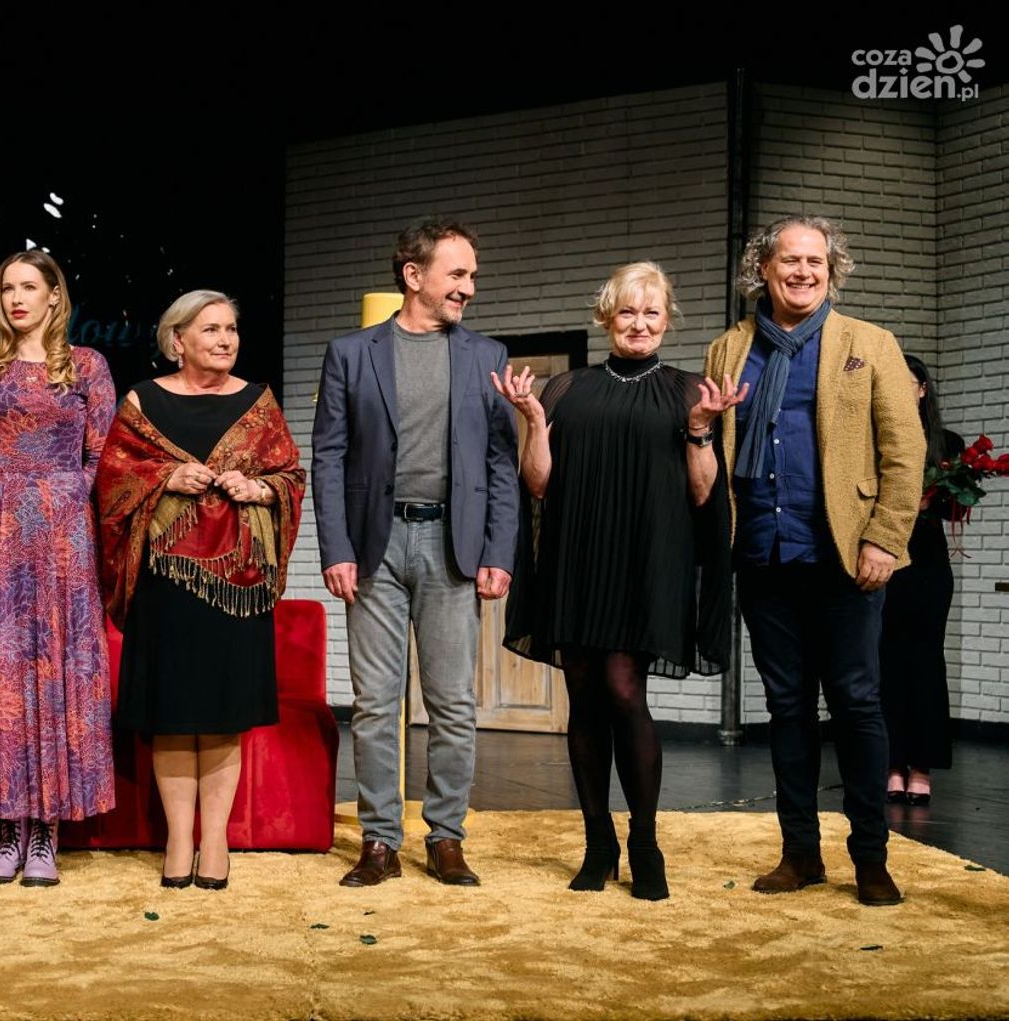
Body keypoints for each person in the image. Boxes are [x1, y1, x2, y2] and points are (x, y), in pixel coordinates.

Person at [495, 262, 741, 900]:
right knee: (584, 697)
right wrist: (534, 422)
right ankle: (597, 841)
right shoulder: (565, 389)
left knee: (627, 691)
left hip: (647, 561)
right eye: (627, 311)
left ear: (666, 321)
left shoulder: (689, 392)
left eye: (651, 312)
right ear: (607, 317)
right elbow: (538, 483)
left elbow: (703, 493)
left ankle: (645, 841)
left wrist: (700, 431)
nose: (639, 324)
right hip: (578, 558)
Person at [704, 215, 924, 906]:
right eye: (789, 260)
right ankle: (799, 853)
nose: (803, 271)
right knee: (786, 706)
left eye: (815, 261)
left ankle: (871, 858)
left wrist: (886, 536)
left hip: (846, 556)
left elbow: (905, 451)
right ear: (762, 269)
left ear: (832, 271)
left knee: (857, 702)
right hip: (762, 555)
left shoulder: (870, 343)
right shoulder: (729, 348)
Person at [311, 219, 521, 887]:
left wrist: (499, 549)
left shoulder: (487, 355)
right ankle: (380, 840)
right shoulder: (351, 353)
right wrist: (335, 547)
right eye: (457, 274)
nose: (469, 287)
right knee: (375, 703)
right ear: (413, 275)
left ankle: (446, 836)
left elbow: (501, 463)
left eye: (472, 275)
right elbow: (329, 457)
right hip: (374, 545)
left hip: (451, 545)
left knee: (453, 702)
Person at [97, 290, 304, 890]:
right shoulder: (142, 402)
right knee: (171, 716)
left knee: (220, 714)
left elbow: (290, 475)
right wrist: (166, 477)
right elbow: (111, 479)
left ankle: (214, 841)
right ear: (177, 340)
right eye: (210, 329)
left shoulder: (257, 403)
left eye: (231, 329)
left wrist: (259, 489)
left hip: (236, 584)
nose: (225, 339)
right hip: (165, 583)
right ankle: (177, 839)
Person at [0, 251, 117, 887]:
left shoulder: (86, 365)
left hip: (63, 526)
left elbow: (102, 453)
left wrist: (62, 498)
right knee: (0, 668)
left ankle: (47, 831)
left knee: (56, 664)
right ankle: (5, 830)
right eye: (7, 288)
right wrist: (11, 497)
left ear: (55, 296)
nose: (17, 298)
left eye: (29, 287)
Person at [880, 355, 962, 806]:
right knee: (886, 660)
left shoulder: (947, 443)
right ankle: (893, 764)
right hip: (885, 558)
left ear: (922, 388)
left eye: (905, 381)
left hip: (928, 565)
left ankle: (922, 767)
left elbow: (956, 508)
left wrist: (934, 498)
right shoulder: (877, 438)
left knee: (927, 661)